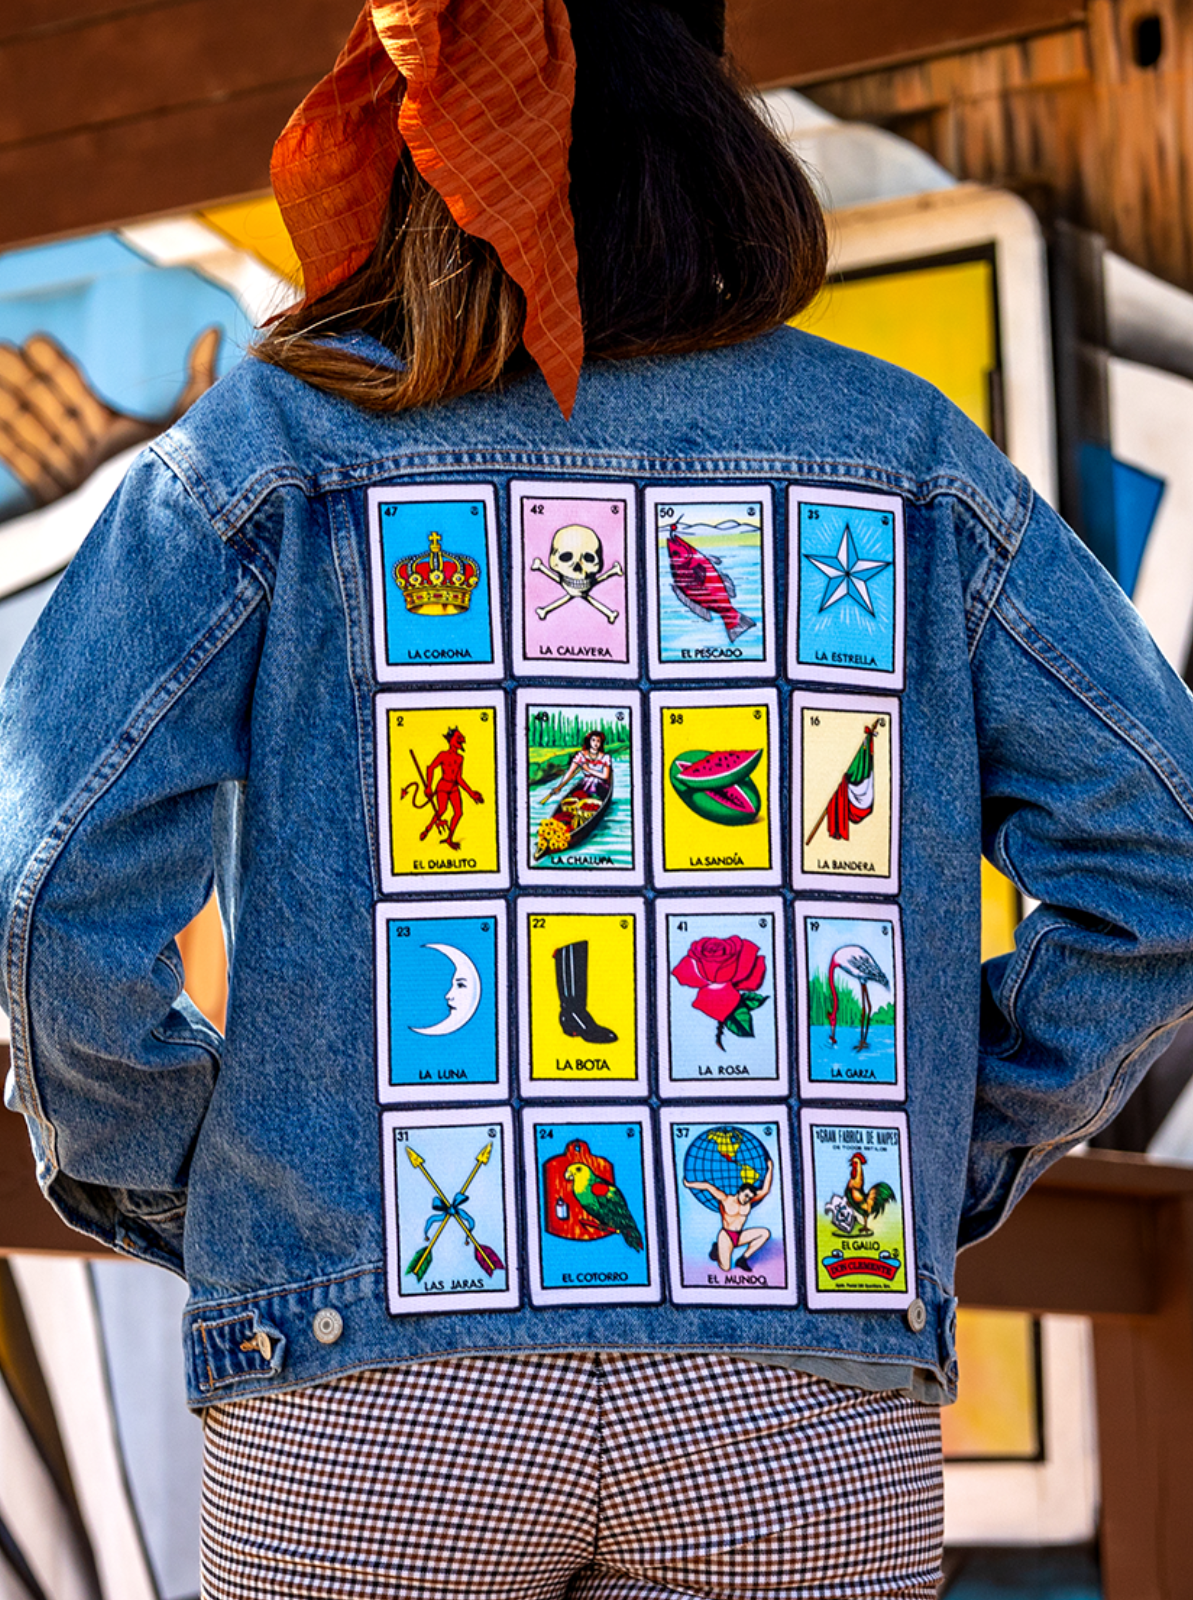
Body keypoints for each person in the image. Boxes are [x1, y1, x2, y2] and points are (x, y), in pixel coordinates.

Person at [3, 1, 1193, 1596]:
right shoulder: (904, 455)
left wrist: (190, 1168)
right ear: (714, 141)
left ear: (419, 152)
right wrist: (932, 1139)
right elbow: (1159, 853)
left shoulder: (275, 450)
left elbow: (51, 867)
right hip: (795, 1399)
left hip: (369, 1399)